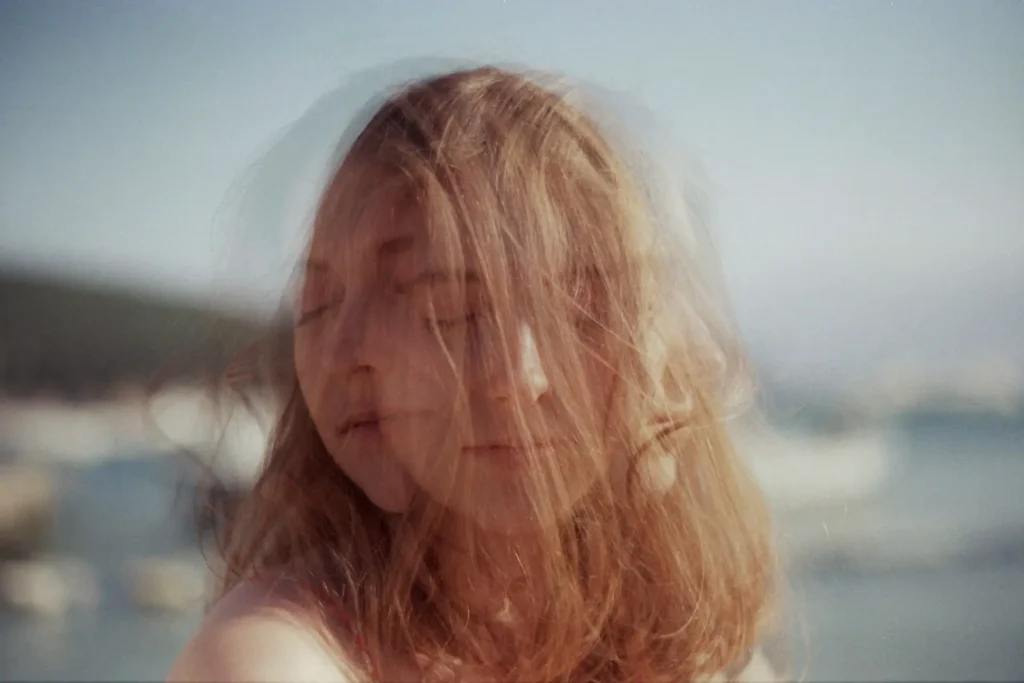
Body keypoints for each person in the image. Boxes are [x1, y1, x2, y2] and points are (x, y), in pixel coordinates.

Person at [167, 64, 781, 683]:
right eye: (451, 311)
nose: (522, 377)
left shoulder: (686, 643)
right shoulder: (277, 659)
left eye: (583, 312)